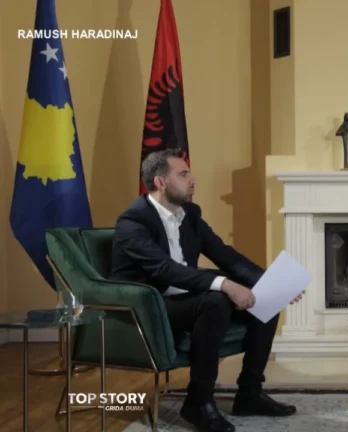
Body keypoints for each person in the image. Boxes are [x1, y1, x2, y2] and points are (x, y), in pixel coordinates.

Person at [110, 149, 302, 432]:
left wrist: (272, 283)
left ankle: (249, 394)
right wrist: (225, 285)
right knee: (215, 302)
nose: (193, 180)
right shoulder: (133, 221)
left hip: (185, 296)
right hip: (148, 304)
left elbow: (225, 255)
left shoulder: (190, 214)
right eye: (183, 174)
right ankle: (198, 401)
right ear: (160, 182)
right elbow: (164, 269)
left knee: (264, 298)